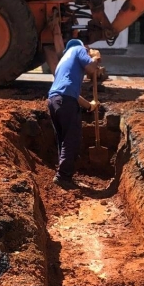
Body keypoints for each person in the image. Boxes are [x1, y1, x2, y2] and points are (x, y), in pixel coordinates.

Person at [47, 38, 100, 188]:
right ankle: (63, 177)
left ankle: (63, 175)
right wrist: (95, 58)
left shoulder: (63, 61)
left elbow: (70, 93)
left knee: (63, 139)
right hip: (66, 101)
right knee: (72, 140)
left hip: (54, 101)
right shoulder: (78, 49)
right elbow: (91, 68)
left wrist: (89, 106)